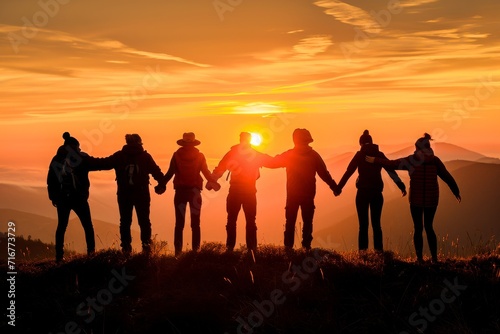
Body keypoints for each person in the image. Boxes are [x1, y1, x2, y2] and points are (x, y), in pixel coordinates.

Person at [366, 133, 461, 263]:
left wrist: (375, 160)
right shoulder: (435, 161)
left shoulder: (412, 160)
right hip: (432, 200)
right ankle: (434, 259)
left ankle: (420, 259)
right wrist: (456, 191)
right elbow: (447, 177)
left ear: (417, 148)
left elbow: (392, 164)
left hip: (415, 200)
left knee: (418, 228)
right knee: (429, 227)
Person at [335, 130, 407, 252]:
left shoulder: (359, 155)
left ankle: (363, 254)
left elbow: (349, 172)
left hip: (362, 192)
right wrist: (401, 186)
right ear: (372, 142)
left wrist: (338, 188)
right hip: (377, 193)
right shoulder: (379, 154)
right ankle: (378, 252)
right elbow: (391, 170)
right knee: (376, 225)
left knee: (363, 226)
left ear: (361, 143)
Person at [267, 128, 337, 250]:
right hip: (308, 194)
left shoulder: (289, 155)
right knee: (308, 222)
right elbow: (324, 174)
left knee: (290, 222)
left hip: (292, 195)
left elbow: (273, 163)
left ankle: (288, 248)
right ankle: (306, 247)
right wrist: (334, 187)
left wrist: (257, 159)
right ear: (308, 140)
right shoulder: (314, 156)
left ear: (295, 140)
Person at [155, 132, 219, 256]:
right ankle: (196, 251)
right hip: (195, 193)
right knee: (195, 224)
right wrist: (213, 182)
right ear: (194, 142)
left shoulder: (176, 155)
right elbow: (205, 172)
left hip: (180, 192)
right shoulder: (200, 156)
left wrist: (161, 184)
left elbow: (170, 173)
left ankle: (177, 253)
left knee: (179, 224)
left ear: (183, 142)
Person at [98, 134, 164, 255]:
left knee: (125, 221)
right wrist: (161, 185)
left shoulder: (119, 156)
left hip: (124, 194)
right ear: (140, 143)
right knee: (144, 221)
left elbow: (103, 163)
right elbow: (157, 172)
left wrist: (84, 161)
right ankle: (146, 248)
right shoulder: (145, 157)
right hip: (142, 194)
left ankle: (126, 249)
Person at [212, 132, 273, 252]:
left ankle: (230, 248)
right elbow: (270, 161)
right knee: (250, 221)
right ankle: (252, 249)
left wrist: (212, 180)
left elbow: (220, 168)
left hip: (235, 191)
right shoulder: (255, 154)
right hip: (249, 191)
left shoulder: (232, 153)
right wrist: (287, 161)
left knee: (231, 220)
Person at [47, 132, 100, 262]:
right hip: (79, 198)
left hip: (62, 198)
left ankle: (59, 257)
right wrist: (117, 161)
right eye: (78, 147)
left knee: (61, 226)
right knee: (88, 226)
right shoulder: (81, 158)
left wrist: (53, 197)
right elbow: (99, 164)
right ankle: (91, 255)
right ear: (75, 146)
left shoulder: (57, 159)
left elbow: (51, 180)